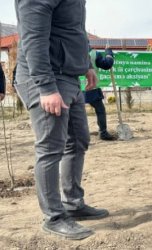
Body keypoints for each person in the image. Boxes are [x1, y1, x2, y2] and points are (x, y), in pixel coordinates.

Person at [15, 0, 108, 240]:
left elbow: (75, 29)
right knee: (50, 147)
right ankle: (54, 217)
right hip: (45, 78)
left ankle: (73, 203)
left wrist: (86, 64)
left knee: (78, 140)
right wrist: (45, 87)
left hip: (68, 76)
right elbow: (33, 36)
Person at [84, 47, 115, 140]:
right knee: (100, 110)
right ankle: (103, 132)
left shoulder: (69, 49)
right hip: (91, 87)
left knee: (72, 112)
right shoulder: (94, 54)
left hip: (73, 87)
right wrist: (109, 52)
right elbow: (107, 64)